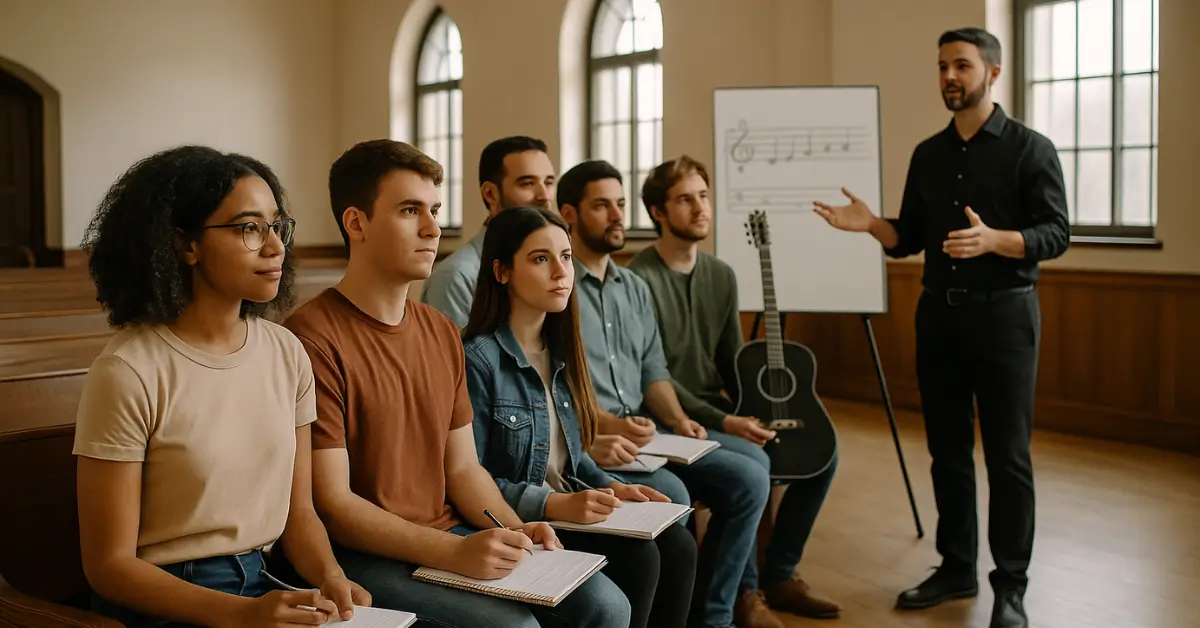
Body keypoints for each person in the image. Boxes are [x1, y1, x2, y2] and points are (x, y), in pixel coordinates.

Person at [283, 138, 631, 628]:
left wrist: (516, 528)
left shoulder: (440, 329)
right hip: (364, 554)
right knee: (514, 627)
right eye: (410, 210)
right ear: (356, 222)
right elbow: (334, 505)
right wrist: (454, 550)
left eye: (435, 210)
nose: (432, 228)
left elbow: (464, 469)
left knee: (607, 606)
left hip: (451, 531)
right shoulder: (310, 338)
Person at [813, 27, 1069, 628]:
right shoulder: (928, 153)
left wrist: (998, 240)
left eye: (962, 66)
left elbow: (1056, 233)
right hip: (939, 316)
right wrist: (872, 224)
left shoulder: (1032, 149)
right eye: (942, 67)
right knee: (947, 452)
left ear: (992, 74)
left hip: (1006, 316)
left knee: (1008, 458)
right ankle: (956, 567)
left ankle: (1010, 586)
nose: (950, 77)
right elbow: (910, 241)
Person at [73, 145, 370, 628]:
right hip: (164, 601)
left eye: (277, 225)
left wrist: (330, 575)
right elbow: (109, 566)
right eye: (249, 228)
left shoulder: (286, 352)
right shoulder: (128, 371)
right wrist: (242, 614)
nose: (275, 246)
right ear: (186, 244)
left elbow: (298, 513)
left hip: (264, 582)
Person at [558, 159, 789, 628]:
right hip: (600, 439)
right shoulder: (561, 292)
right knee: (673, 493)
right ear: (569, 215)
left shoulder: (633, 287)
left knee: (750, 480)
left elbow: (653, 371)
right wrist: (612, 425)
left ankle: (717, 614)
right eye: (601, 206)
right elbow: (557, 389)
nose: (617, 216)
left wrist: (680, 418)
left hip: (652, 430)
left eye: (620, 204)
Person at [462, 204, 698, 628]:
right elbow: (469, 479)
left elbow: (569, 457)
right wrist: (559, 503)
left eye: (566, 256)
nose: (560, 271)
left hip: (565, 503)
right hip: (523, 520)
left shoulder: (562, 349)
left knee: (679, 545)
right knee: (642, 558)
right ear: (502, 272)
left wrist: (611, 486)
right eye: (540, 258)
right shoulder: (478, 360)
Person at [628, 154, 842, 621]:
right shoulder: (638, 280)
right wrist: (725, 421)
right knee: (755, 465)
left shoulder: (721, 275)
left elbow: (733, 362)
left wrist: (771, 405)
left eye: (703, 196)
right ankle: (739, 597)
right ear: (659, 213)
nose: (700, 207)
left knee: (821, 451)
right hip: (668, 417)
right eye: (685, 199)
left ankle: (779, 573)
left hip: (721, 409)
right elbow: (652, 376)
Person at [422, 135, 557, 327]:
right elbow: (453, 356)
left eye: (549, 182)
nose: (544, 196)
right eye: (527, 183)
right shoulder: (457, 277)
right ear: (491, 194)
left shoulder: (558, 269)